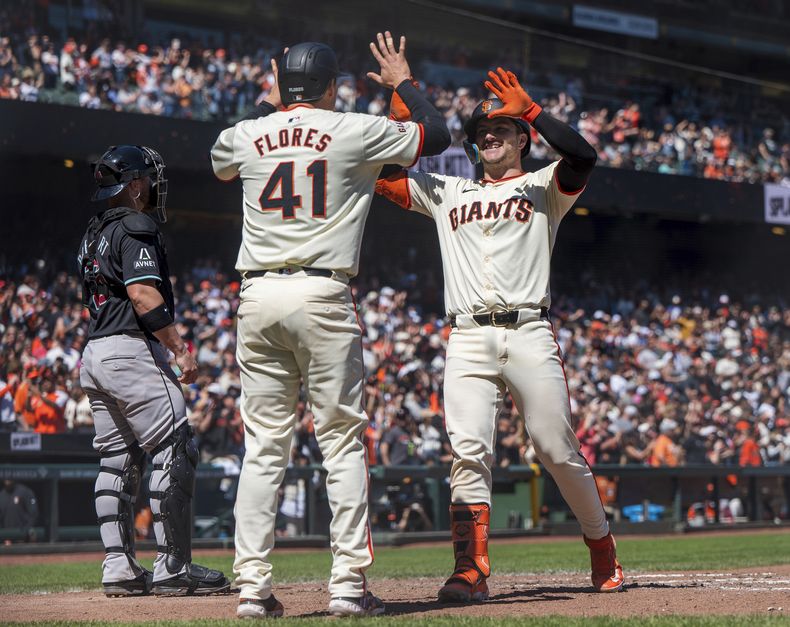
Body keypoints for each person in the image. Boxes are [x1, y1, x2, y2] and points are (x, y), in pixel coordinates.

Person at [210, 33, 450, 619]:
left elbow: (221, 160)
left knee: (264, 447)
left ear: (283, 83)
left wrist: (271, 102)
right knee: (340, 440)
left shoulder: (247, 132)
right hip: (321, 291)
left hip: (258, 294)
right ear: (331, 86)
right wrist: (403, 82)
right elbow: (436, 135)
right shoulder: (352, 129)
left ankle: (251, 589)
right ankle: (346, 584)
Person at [376, 67, 625, 602]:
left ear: (522, 140)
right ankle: (471, 568)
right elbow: (381, 174)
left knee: (555, 449)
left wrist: (532, 110)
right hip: (467, 335)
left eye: (502, 128)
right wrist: (402, 97)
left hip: (529, 330)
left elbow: (583, 156)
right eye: (482, 132)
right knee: (468, 452)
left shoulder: (544, 187)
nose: (490, 135)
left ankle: (600, 541)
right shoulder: (446, 191)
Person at [77, 144, 229, 597]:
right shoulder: (135, 224)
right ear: (135, 184)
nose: (154, 184)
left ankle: (119, 568)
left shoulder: (94, 232)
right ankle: (173, 567)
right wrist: (180, 349)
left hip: (96, 352)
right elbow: (143, 295)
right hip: (131, 350)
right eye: (148, 177)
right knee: (176, 447)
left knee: (116, 461)